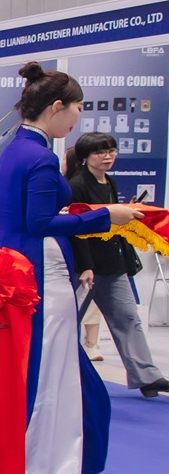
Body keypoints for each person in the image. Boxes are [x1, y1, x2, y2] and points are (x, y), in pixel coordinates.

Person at [0, 64, 139, 474]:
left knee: (67, 375)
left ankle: (72, 466)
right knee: (44, 375)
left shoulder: (18, 148)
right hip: (39, 273)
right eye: (77, 108)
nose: (78, 118)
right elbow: (39, 222)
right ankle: (31, 472)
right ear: (57, 107)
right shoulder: (39, 156)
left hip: (24, 268)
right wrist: (105, 216)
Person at [69, 132, 168, 397]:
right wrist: (85, 265)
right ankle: (60, 376)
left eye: (111, 151)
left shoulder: (110, 182)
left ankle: (147, 377)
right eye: (100, 152)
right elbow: (76, 229)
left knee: (128, 319)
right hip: (85, 268)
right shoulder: (76, 185)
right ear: (86, 156)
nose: (107, 156)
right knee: (67, 323)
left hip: (113, 264)